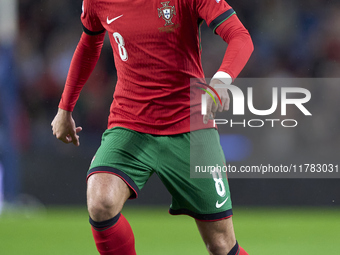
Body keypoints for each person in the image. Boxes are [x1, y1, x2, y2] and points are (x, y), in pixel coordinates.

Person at [51, 0, 253, 254]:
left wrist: (222, 81)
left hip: (190, 125)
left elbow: (239, 36)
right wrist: (64, 108)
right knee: (101, 202)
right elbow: (89, 44)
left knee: (221, 244)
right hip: (129, 124)